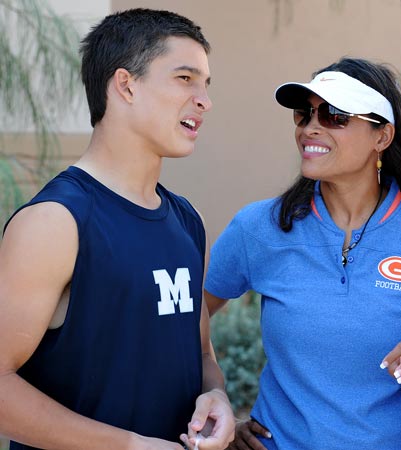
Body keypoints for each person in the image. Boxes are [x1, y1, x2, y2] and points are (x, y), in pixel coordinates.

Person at [204, 57, 401, 450]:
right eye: (304, 113)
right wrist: (218, 401)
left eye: (334, 115)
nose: (311, 126)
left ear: (381, 136)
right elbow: (188, 314)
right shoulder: (259, 227)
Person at [0, 8, 235, 450]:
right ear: (126, 84)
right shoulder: (55, 221)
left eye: (206, 85)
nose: (204, 100)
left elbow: (201, 354)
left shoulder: (187, 220)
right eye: (185, 79)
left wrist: (216, 395)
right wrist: (131, 446)